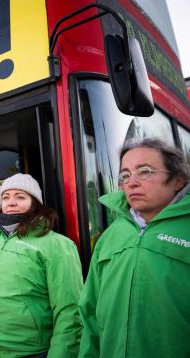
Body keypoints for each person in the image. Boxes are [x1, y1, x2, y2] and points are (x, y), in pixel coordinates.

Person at [78, 138, 190, 357]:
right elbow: (90, 312)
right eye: (125, 175)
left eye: (145, 171)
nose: (131, 183)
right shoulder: (111, 235)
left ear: (178, 180)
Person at [0, 173, 83, 358]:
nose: (11, 202)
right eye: (6, 197)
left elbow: (70, 310)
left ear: (35, 203)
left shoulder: (57, 245)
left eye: (20, 197)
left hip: (30, 353)